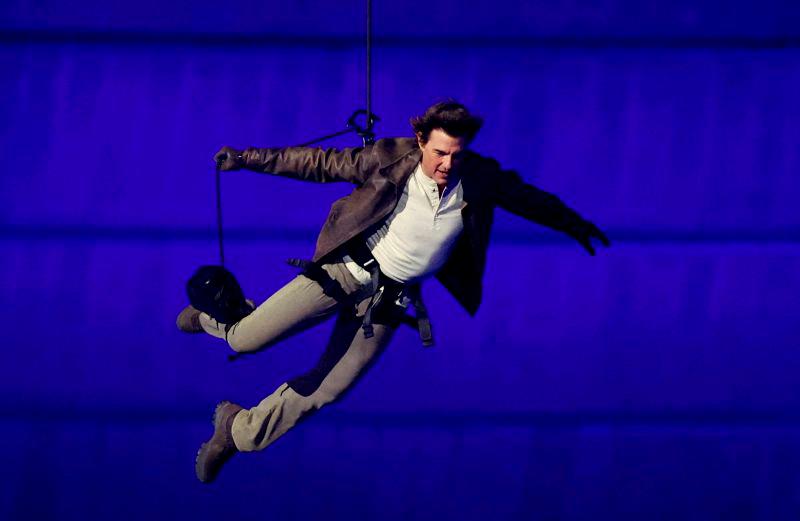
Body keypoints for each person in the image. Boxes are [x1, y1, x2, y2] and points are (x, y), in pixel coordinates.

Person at [176, 100, 609, 483]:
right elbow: (319, 163)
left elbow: (529, 199)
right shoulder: (389, 157)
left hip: (387, 300)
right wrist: (247, 158)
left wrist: (575, 224)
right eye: (439, 152)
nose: (446, 164)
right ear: (421, 140)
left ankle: (238, 430)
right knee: (245, 338)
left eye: (456, 155)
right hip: (343, 272)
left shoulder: (478, 177)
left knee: (331, 388)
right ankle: (207, 318)